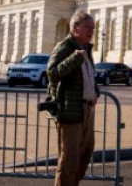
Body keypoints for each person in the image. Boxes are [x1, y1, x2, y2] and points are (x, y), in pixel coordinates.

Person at [46, 11, 99, 186]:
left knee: (85, 155)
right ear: (75, 28)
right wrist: (74, 58)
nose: (92, 31)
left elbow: (89, 76)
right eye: (88, 27)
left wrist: (95, 91)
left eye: (93, 28)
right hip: (70, 111)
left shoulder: (86, 49)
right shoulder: (65, 47)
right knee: (69, 160)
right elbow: (52, 73)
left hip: (87, 111)